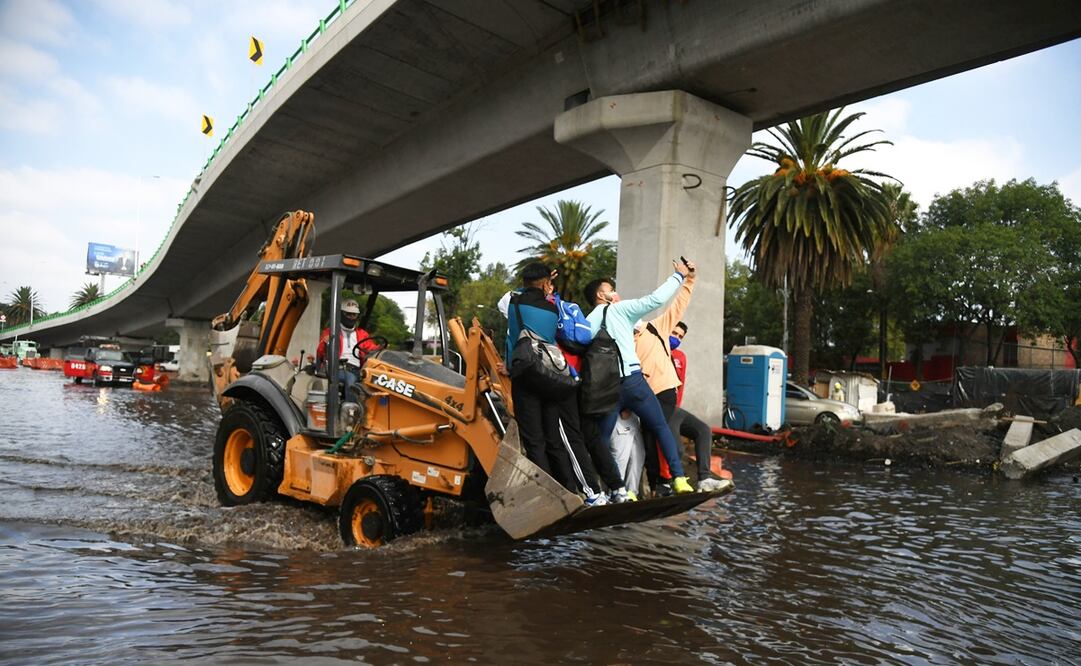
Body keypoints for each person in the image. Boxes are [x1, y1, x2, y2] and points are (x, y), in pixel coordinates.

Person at [583, 262, 696, 495]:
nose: (615, 291)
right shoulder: (621, 309)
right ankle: (678, 479)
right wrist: (678, 276)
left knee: (602, 439)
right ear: (601, 294)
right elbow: (655, 299)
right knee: (661, 428)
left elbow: (578, 342)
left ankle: (605, 490)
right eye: (611, 288)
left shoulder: (588, 321)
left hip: (608, 388)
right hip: (634, 382)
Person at [505, 262, 609, 505]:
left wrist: (539, 281)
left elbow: (517, 294)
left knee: (534, 440)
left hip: (524, 374)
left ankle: (549, 497)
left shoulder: (514, 303)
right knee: (555, 439)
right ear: (545, 285)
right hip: (550, 377)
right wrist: (546, 285)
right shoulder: (552, 310)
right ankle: (572, 490)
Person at [633, 260, 697, 496]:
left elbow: (678, 306)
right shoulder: (623, 341)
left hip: (664, 389)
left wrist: (688, 279)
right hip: (641, 394)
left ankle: (672, 479)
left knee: (659, 431)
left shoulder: (654, 327)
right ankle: (658, 484)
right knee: (648, 437)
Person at [667, 320, 729, 492]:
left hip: (673, 408)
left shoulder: (680, 357)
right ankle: (671, 483)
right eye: (674, 333)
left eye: (680, 336)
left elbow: (681, 385)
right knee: (677, 448)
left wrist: (676, 406)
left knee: (703, 430)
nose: (676, 338)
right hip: (657, 407)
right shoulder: (655, 351)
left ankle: (705, 478)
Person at [316, 298, 379, 396]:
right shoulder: (331, 331)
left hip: (359, 370)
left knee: (377, 382)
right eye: (348, 314)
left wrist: (380, 349)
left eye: (354, 314)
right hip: (337, 369)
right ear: (341, 314)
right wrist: (325, 343)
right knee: (350, 380)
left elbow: (371, 348)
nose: (351, 317)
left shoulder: (362, 334)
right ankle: (350, 409)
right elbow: (320, 352)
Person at [609, 410, 645, 497]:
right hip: (621, 417)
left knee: (638, 458)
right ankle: (615, 493)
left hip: (635, 416)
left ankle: (631, 494)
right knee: (620, 460)